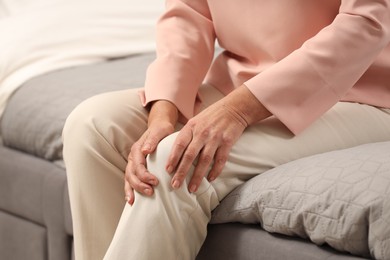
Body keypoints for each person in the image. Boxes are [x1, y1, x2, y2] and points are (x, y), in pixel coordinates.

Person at [62, 0, 390, 259]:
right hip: (241, 82)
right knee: (92, 127)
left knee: (177, 160)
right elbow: (188, 14)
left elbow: (366, 24)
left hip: (355, 92)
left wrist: (237, 110)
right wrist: (164, 111)